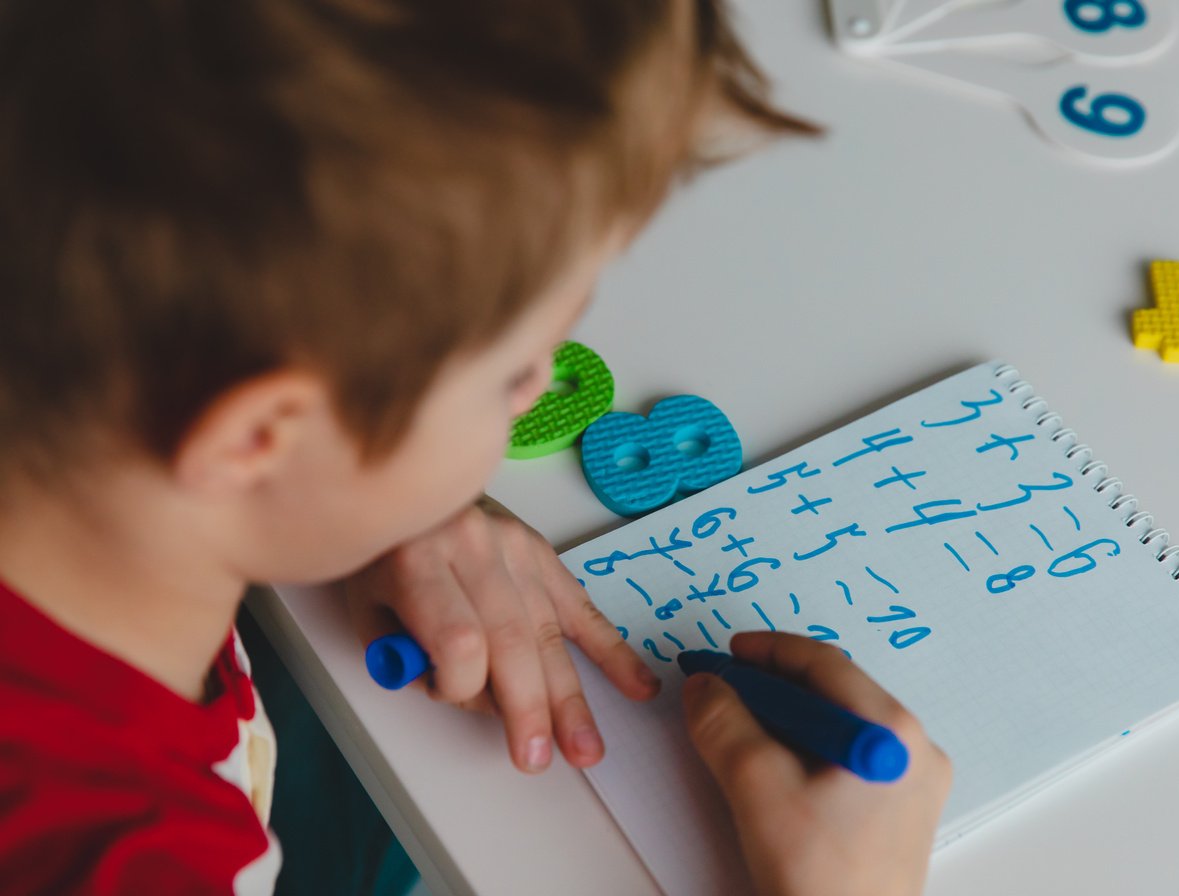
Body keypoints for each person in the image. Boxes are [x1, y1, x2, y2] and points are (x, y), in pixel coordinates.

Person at [0, 1, 949, 894]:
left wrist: (353, 487)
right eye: (512, 376)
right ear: (256, 439)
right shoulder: (130, 859)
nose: (542, 390)